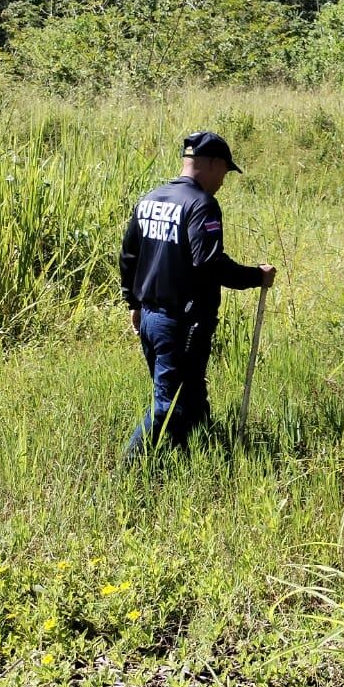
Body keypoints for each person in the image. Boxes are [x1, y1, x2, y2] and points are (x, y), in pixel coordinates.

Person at [119, 131, 276, 460]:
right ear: (213, 164)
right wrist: (255, 277)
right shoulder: (202, 204)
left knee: (190, 395)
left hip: (150, 318)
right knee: (170, 404)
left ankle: (203, 453)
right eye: (224, 171)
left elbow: (129, 258)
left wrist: (134, 305)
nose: (223, 180)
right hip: (180, 323)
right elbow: (208, 264)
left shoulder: (151, 198)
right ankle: (128, 472)